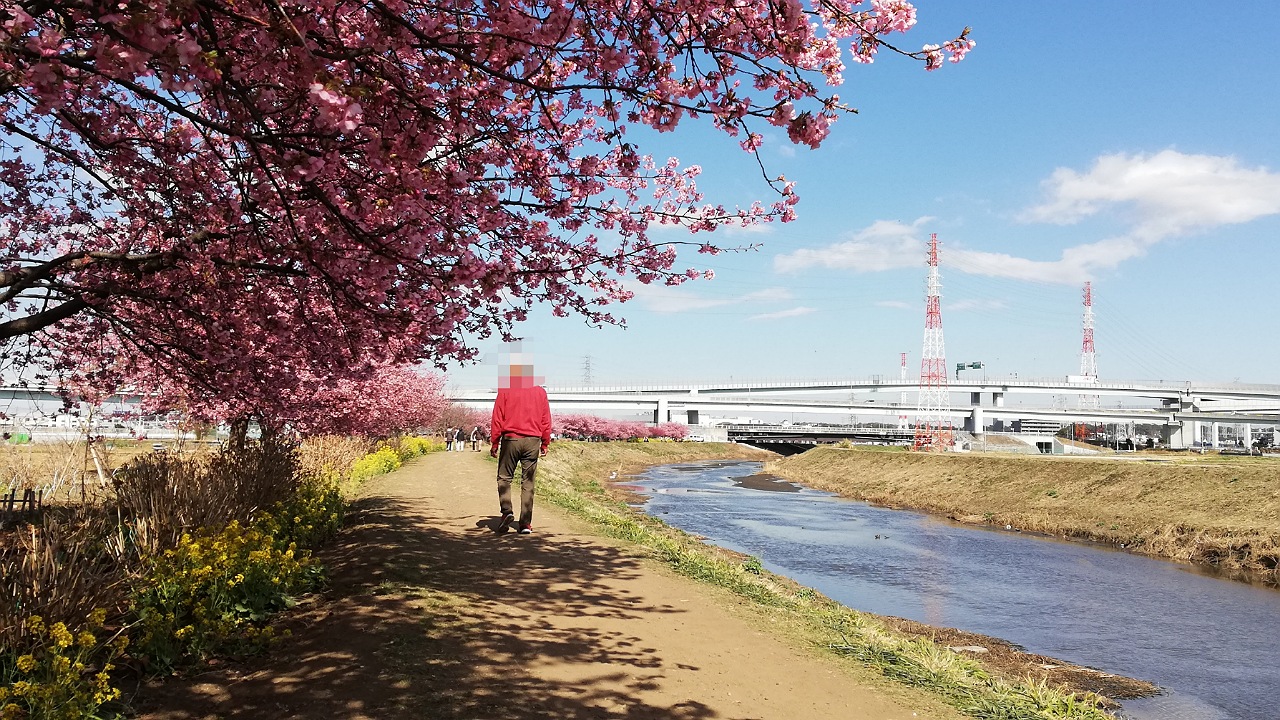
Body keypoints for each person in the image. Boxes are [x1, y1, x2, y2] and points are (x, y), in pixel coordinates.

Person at [490, 357, 552, 534]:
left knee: (504, 477)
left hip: (511, 439)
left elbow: (497, 418)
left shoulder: (505, 390)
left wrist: (495, 442)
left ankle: (507, 512)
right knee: (528, 482)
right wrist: (545, 443)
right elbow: (545, 420)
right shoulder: (540, 393)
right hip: (533, 440)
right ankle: (525, 524)